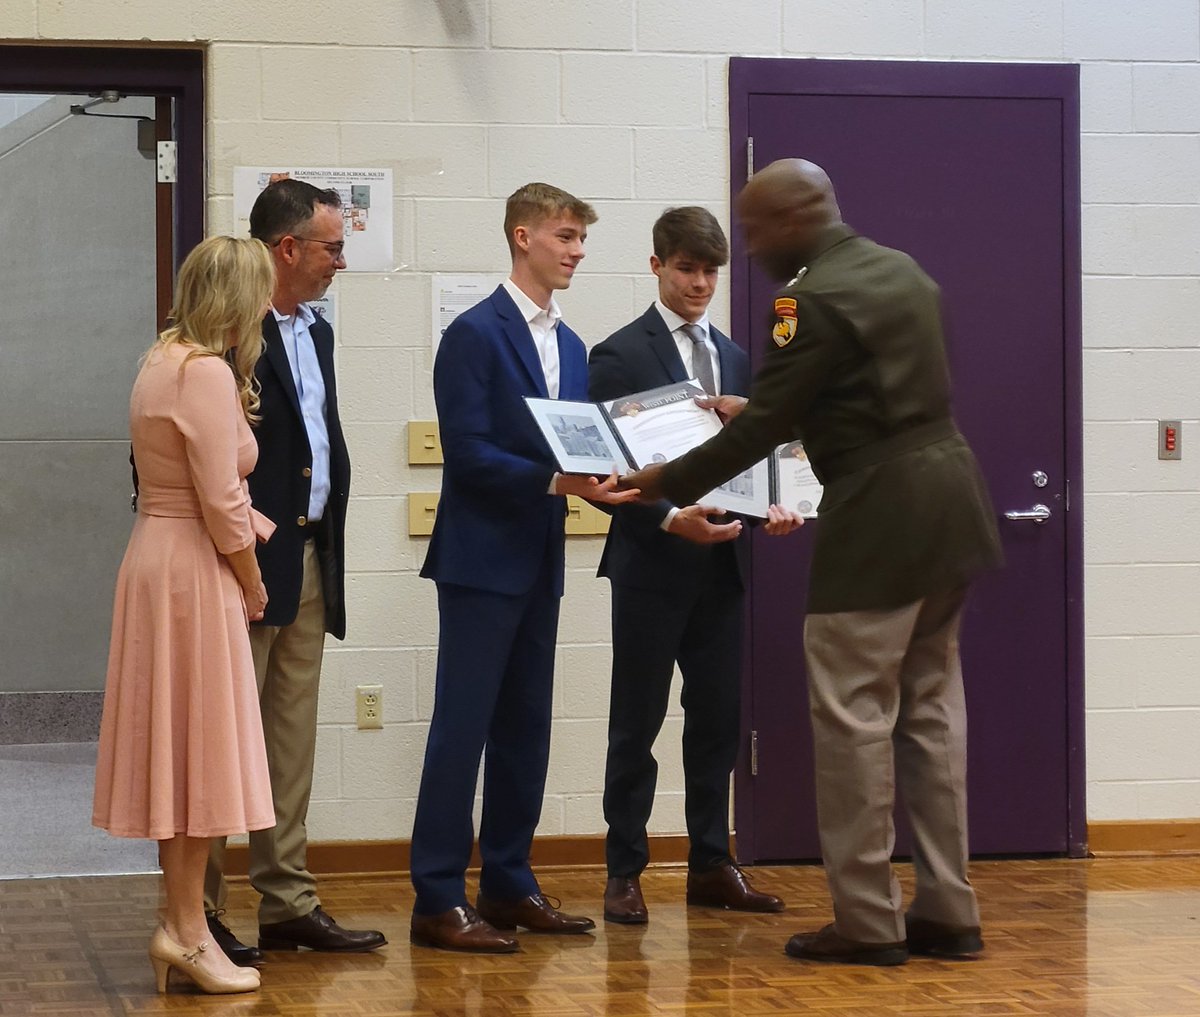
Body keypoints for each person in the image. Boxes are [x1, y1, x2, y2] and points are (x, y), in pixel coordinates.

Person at [622, 160, 1003, 966]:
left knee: (855, 721)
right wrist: (756, 406)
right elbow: (852, 392)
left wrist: (661, 481)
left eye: (755, 230)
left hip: (879, 522)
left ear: (793, 219)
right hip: (950, 502)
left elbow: (768, 431)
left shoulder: (809, 296)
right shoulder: (899, 268)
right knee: (932, 715)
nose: (749, 246)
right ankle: (948, 910)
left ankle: (867, 920)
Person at [409, 182, 639, 953]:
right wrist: (555, 483)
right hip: (479, 561)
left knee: (526, 731)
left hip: (539, 558)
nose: (576, 251)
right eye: (566, 236)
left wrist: (658, 502)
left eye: (581, 240)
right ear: (523, 236)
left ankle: (507, 881)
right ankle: (437, 895)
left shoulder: (571, 347)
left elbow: (579, 456)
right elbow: (468, 453)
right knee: (461, 730)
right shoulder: (475, 333)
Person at [587, 206, 798, 924]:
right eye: (686, 268)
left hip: (724, 568)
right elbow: (607, 475)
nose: (700, 282)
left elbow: (753, 457)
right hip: (652, 562)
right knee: (635, 722)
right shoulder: (617, 353)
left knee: (716, 721)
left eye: (710, 270)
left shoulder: (737, 357)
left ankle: (711, 862)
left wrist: (773, 504)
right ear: (656, 265)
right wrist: (667, 515)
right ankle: (624, 871)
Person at [203, 180, 385, 960]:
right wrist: (241, 561)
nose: (341, 260)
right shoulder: (226, 334)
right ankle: (199, 909)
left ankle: (287, 900)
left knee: (290, 738)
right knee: (217, 743)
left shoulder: (318, 331)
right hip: (242, 566)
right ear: (288, 249)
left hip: (310, 556)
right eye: (333, 247)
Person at [92, 236, 277, 995]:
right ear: (237, 297)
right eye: (260, 290)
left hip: (155, 557)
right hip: (193, 567)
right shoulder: (202, 372)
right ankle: (189, 930)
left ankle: (181, 924)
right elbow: (223, 502)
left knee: (182, 752)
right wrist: (253, 579)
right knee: (202, 751)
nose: (268, 305)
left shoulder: (159, 359)